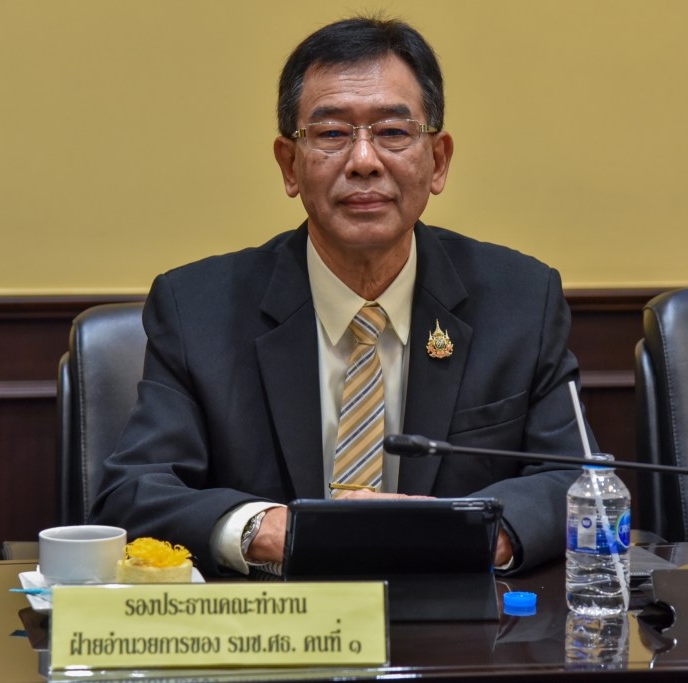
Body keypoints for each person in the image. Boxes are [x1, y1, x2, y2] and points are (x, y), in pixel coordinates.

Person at [90, 15, 597, 577]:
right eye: (332, 134)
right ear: (289, 164)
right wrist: (269, 529)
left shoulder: (521, 299)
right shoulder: (196, 309)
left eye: (393, 132)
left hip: (460, 616)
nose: (363, 161)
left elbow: (577, 479)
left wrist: (467, 533)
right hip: (275, 622)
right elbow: (133, 492)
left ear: (438, 161)